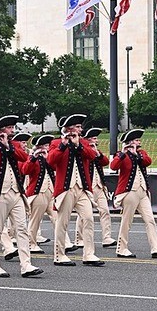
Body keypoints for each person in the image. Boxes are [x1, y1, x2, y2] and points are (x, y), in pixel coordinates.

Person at [0, 115, 43, 278]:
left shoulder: (12, 145)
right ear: (0, 130)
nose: (13, 131)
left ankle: (26, 265)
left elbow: (25, 158)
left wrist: (8, 146)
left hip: (17, 193)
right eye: (9, 128)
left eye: (13, 128)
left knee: (21, 229)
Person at [47, 114, 104, 267]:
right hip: (65, 189)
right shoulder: (56, 143)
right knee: (62, 222)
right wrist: (63, 145)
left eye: (80, 127)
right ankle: (59, 255)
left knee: (89, 219)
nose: (80, 129)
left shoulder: (84, 142)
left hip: (83, 189)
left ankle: (89, 254)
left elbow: (92, 156)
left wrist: (78, 145)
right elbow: (51, 161)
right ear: (68, 129)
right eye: (77, 127)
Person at [110, 129, 157, 259]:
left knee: (150, 219)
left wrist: (136, 154)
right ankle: (121, 248)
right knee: (127, 221)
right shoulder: (121, 155)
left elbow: (147, 161)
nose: (139, 142)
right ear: (130, 142)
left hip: (143, 191)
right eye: (137, 140)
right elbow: (113, 166)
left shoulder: (141, 153)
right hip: (129, 192)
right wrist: (123, 152)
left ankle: (156, 247)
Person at [22, 134, 68, 254]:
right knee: (35, 220)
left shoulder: (49, 157)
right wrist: (33, 157)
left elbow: (55, 168)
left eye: (48, 145)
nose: (47, 148)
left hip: (51, 192)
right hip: (38, 192)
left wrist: (48, 158)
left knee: (57, 218)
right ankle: (31, 243)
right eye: (44, 146)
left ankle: (65, 242)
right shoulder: (32, 157)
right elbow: (25, 170)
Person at [75, 127, 116, 248]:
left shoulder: (96, 151)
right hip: (88, 186)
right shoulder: (83, 151)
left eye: (95, 138)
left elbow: (105, 162)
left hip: (99, 186)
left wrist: (98, 153)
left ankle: (106, 237)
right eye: (93, 138)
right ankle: (79, 239)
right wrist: (90, 151)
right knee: (84, 214)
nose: (96, 140)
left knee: (105, 211)